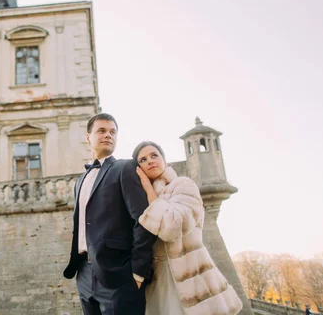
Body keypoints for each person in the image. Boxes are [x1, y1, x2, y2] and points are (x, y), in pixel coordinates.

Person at [133, 141, 243, 315]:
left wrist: (148, 189)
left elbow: (172, 228)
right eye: (143, 159)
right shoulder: (138, 199)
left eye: (154, 155)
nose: (150, 161)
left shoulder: (182, 185)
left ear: (164, 160)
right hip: (157, 282)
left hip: (194, 282)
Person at [64, 114, 157, 314]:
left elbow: (144, 220)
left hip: (119, 275)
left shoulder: (125, 167)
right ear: (88, 137)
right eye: (102, 131)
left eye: (112, 132)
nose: (108, 135)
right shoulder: (81, 180)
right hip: (84, 273)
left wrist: (138, 272)